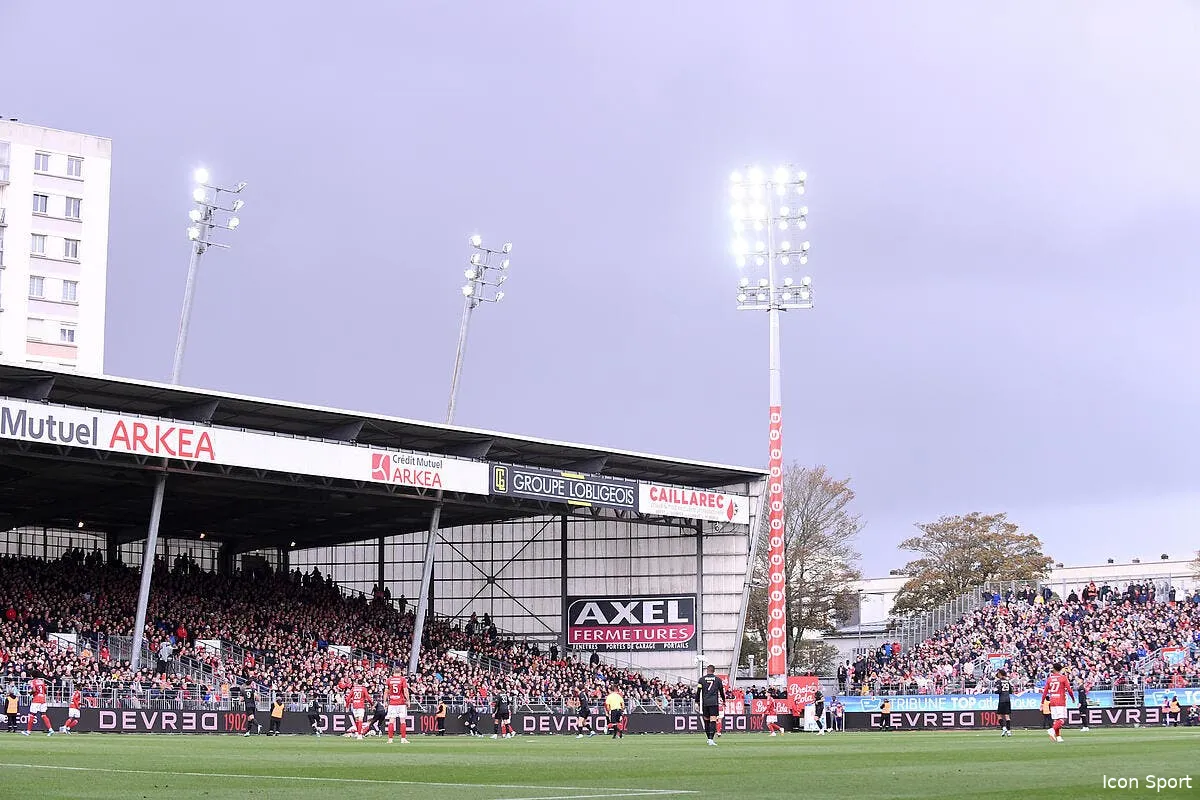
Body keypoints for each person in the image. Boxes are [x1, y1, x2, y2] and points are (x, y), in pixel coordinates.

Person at [1041, 662, 1074, 743]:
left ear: (1054, 669)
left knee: (1056, 720)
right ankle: (1052, 730)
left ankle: (1058, 737)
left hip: (1052, 700)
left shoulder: (1049, 679)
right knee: (1062, 719)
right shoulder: (1063, 678)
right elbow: (1069, 690)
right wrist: (1073, 698)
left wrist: (1042, 702)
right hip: (1060, 700)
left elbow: (1045, 692)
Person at [696, 664, 725, 747]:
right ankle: (711, 740)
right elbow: (721, 692)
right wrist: (724, 700)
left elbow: (698, 691)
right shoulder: (718, 680)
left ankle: (708, 739)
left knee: (706, 721)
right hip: (714, 702)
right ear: (714, 671)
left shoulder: (701, 680)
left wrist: (697, 701)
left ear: (707, 670)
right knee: (713, 720)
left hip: (705, 702)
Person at [384, 670, 409, 744]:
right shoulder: (402, 679)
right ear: (400, 673)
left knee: (391, 721)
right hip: (401, 703)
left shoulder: (389, 680)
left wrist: (385, 701)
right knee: (402, 721)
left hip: (392, 703)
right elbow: (405, 690)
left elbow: (386, 691)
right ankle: (403, 739)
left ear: (393, 673)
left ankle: (390, 739)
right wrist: (408, 700)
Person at [995, 670, 1014, 737]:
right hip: (1008, 699)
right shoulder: (1007, 681)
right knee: (1007, 716)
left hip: (1002, 700)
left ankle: (1004, 728)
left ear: (1000, 674)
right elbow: (1011, 691)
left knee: (999, 715)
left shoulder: (999, 681)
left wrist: (996, 691)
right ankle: (1009, 731)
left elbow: (999, 691)